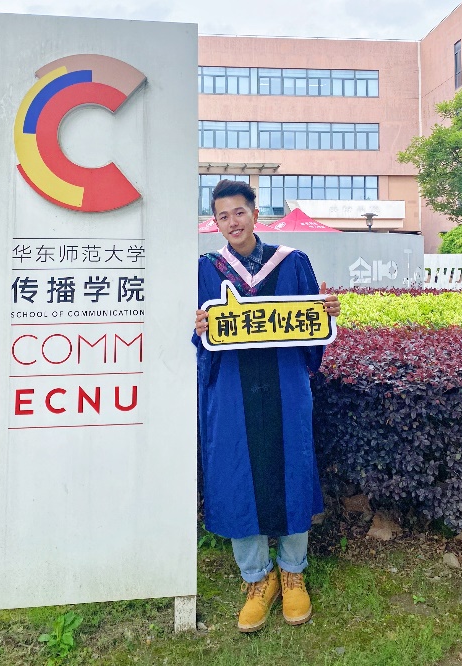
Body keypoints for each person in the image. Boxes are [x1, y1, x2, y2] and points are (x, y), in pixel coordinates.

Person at [193, 180, 340, 633]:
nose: (232, 222)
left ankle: (292, 572)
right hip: (232, 391)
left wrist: (325, 313)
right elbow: (197, 340)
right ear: (215, 223)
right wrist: (198, 327)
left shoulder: (292, 262)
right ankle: (257, 578)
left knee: (292, 467)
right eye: (223, 216)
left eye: (239, 212)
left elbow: (311, 330)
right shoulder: (206, 269)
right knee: (237, 474)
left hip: (285, 385)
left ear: (256, 214)